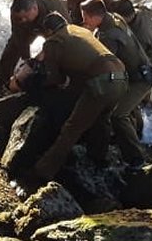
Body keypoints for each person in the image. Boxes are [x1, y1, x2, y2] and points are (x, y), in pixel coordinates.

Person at [30, 12, 127, 181]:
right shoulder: (79, 30)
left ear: (49, 31)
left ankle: (43, 171)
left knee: (72, 128)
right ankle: (99, 160)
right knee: (102, 120)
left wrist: (40, 83)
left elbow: (54, 78)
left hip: (102, 82)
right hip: (121, 78)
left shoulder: (53, 41)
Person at [80, 0, 152, 164]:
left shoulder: (109, 36)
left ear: (95, 17)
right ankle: (139, 136)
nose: (83, 21)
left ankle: (136, 159)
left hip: (140, 79)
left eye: (85, 17)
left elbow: (105, 65)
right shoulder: (114, 18)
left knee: (118, 115)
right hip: (140, 72)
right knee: (128, 107)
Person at [0, 0, 68, 87]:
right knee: (12, 49)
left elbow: (65, 36)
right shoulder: (16, 12)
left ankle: (57, 82)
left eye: (25, 17)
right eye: (20, 18)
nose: (23, 20)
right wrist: (27, 62)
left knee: (55, 52)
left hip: (55, 24)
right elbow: (19, 38)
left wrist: (41, 58)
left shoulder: (55, 8)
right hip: (31, 27)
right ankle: (2, 82)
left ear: (35, 8)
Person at [115, 0, 152, 72]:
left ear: (124, 17)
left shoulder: (140, 35)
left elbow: (136, 54)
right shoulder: (141, 11)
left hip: (151, 60)